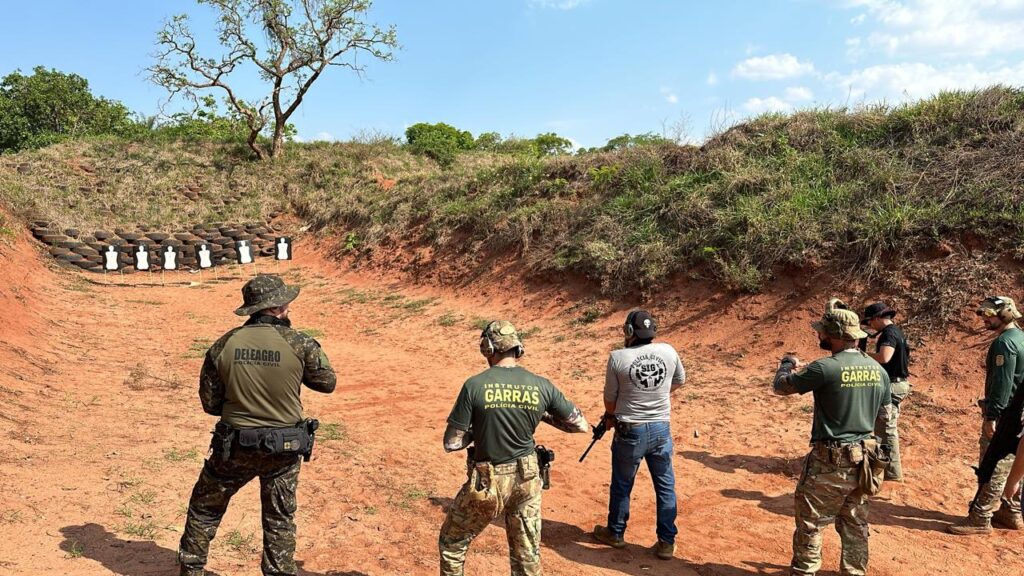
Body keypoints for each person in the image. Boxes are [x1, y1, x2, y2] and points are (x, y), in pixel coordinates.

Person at [177, 274, 336, 576]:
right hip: (284, 448)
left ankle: (192, 568)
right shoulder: (300, 343)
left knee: (205, 508)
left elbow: (210, 404)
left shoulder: (224, 343)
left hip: (234, 446)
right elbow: (327, 382)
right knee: (279, 518)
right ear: (278, 306)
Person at [439, 320, 588, 576]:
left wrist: (478, 430)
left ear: (487, 347)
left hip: (489, 479)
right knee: (526, 556)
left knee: (453, 543)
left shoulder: (474, 385)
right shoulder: (541, 384)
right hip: (528, 478)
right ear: (517, 348)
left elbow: (452, 443)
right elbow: (579, 425)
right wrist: (540, 415)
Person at [772, 303, 891, 576]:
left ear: (835, 334)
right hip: (865, 462)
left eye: (823, 332)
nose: (819, 336)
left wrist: (787, 365)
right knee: (855, 523)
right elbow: (884, 417)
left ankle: (805, 571)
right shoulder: (878, 370)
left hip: (830, 462)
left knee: (812, 523)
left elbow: (781, 387)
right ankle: (854, 571)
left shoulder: (825, 368)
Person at [592, 309, 685, 561]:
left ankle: (616, 532)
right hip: (661, 429)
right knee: (665, 486)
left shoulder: (617, 357)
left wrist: (614, 413)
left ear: (629, 331)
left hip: (630, 430)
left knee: (622, 485)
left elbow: (610, 401)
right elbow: (679, 380)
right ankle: (666, 542)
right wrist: (656, 396)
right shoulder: (669, 351)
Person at [948, 296, 1024, 534]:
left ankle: (980, 517)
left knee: (993, 464)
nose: (984, 318)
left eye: (989, 315)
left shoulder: (1004, 344)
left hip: (1005, 414)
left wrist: (992, 416)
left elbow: (1002, 383)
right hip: (1018, 412)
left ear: (1005, 315)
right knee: (1012, 462)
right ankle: (1010, 512)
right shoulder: (1021, 337)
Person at [861, 302, 911, 480]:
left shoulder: (889, 333)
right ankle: (886, 467)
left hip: (891, 385)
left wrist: (861, 355)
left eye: (870, 321)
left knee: (887, 428)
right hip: (896, 383)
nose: (870, 326)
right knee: (882, 426)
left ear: (876, 318)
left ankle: (891, 472)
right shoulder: (895, 331)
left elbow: (884, 357)